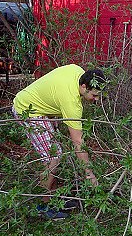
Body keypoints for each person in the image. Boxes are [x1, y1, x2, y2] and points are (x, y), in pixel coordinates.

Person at [12, 65, 106, 219]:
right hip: (27, 110)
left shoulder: (78, 71)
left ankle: (55, 200)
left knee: (56, 153)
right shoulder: (72, 103)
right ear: (84, 86)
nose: (96, 100)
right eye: (94, 96)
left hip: (42, 109)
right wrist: (89, 174)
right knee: (53, 157)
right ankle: (43, 207)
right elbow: (77, 141)